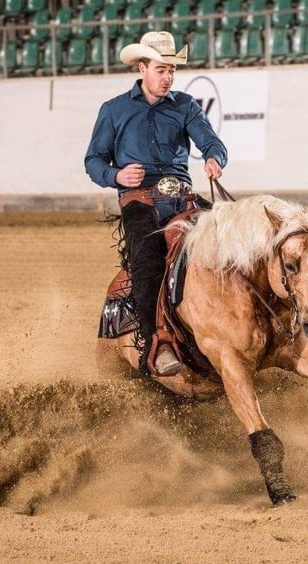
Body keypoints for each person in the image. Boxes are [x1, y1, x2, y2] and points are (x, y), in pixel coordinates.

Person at [85, 31, 228, 377]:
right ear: (142, 67)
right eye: (161, 70)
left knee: (228, 245)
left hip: (182, 198)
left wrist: (213, 158)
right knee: (147, 262)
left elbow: (212, 142)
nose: (168, 78)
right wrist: (117, 176)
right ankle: (154, 342)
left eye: (172, 71)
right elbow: (93, 161)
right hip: (139, 200)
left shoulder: (185, 105)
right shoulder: (114, 110)